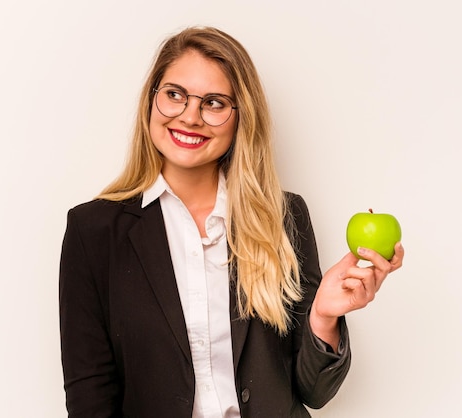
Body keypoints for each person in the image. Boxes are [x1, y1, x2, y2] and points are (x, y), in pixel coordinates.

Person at [59, 26, 404, 418]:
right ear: (151, 101)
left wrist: (323, 317)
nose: (190, 117)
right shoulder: (93, 231)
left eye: (214, 102)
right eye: (174, 95)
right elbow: (90, 395)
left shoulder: (284, 217)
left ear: (242, 117)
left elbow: (314, 392)